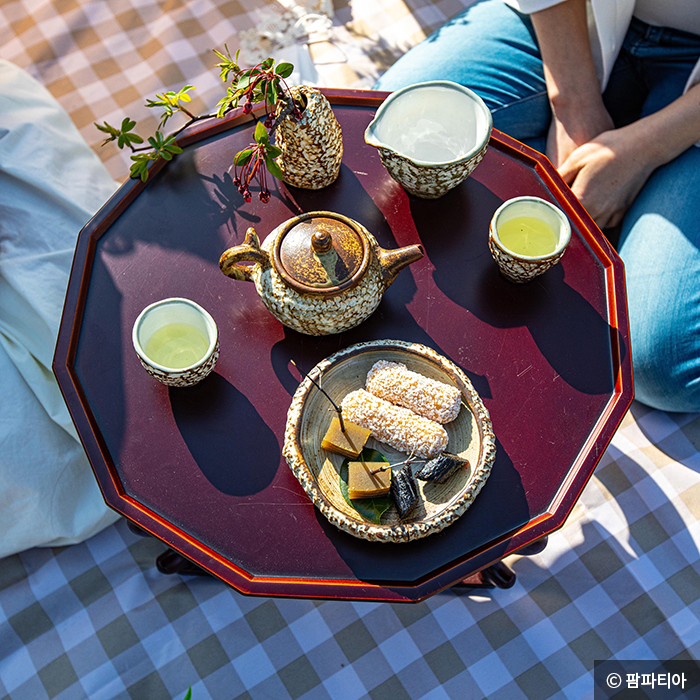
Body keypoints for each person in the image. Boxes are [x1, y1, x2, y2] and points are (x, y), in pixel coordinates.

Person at [375, 0, 700, 413]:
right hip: (577, 16)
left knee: (662, 367)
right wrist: (572, 105)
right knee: (395, 120)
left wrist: (644, 150)